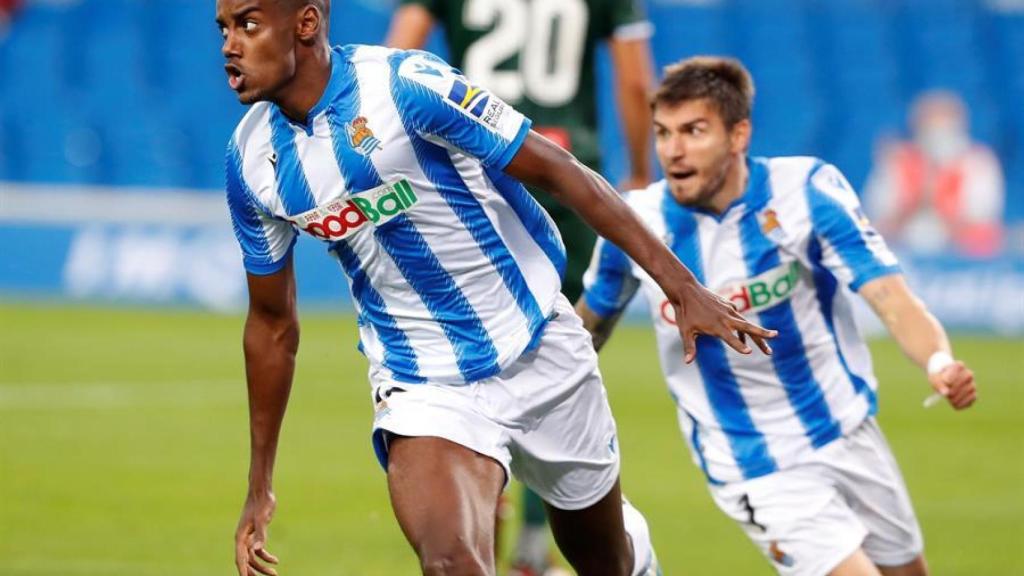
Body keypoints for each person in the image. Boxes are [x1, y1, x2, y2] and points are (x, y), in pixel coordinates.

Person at [215, 2, 774, 575]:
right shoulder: (251, 160)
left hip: (539, 344)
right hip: (422, 380)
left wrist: (682, 287)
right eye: (224, 29)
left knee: (605, 560)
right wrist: (259, 484)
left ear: (306, 23)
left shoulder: (405, 86)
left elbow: (559, 169)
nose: (230, 45)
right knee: (451, 563)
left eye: (248, 25)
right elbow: (272, 324)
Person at [578, 56, 978, 576]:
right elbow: (585, 331)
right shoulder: (635, 224)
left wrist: (939, 362)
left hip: (847, 430)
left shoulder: (806, 192)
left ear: (738, 135)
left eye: (693, 131)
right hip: (754, 463)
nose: (673, 150)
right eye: (662, 133)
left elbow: (891, 298)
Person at [386, 1, 655, 572]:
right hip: (565, 172)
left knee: (463, 355)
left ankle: (483, 505)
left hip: (474, 175)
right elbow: (634, 80)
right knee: (559, 354)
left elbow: (395, 56)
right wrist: (638, 170)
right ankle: (535, 540)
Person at [864, 90, 1005, 257]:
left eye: (944, 126)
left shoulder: (978, 162)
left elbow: (982, 221)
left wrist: (939, 198)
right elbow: (877, 219)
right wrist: (916, 199)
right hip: (904, 251)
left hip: (960, 257)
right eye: (930, 126)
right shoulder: (896, 161)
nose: (937, 134)